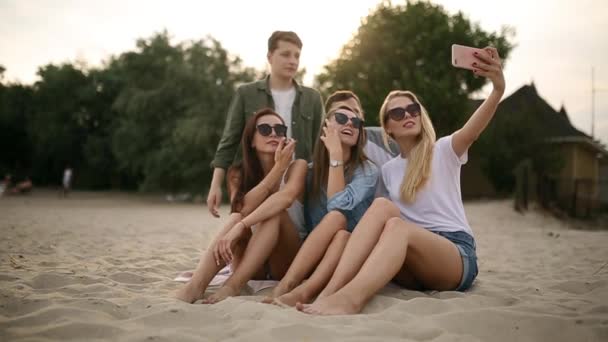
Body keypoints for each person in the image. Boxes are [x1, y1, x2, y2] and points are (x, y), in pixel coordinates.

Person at [298, 47, 505, 315]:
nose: (407, 115)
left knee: (397, 226)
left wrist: (497, 90)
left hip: (454, 254)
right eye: (397, 114)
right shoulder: (388, 170)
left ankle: (349, 300)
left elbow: (473, 130)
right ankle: (328, 294)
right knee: (384, 209)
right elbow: (365, 218)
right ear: (388, 128)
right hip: (410, 261)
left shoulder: (443, 150)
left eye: (412, 109)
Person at [175, 109, 308, 304]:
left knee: (274, 214)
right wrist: (276, 170)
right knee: (236, 217)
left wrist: (242, 225)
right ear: (251, 140)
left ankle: (232, 287)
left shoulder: (298, 166)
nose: (273, 133)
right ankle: (195, 287)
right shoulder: (238, 173)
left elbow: (285, 199)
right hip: (250, 262)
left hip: (284, 260)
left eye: (279, 129)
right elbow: (243, 208)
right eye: (264, 129)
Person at [263, 102, 378, 307]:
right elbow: (281, 201)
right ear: (326, 127)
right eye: (341, 119)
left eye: (356, 122)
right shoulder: (310, 172)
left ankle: (294, 289)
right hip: (314, 256)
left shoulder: (367, 170)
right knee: (334, 226)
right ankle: (287, 286)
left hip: (349, 258)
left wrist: (335, 156)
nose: (350, 124)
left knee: (338, 223)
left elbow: (337, 206)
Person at [206, 31, 324, 218]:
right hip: (256, 181)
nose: (292, 61)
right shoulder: (246, 93)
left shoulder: (312, 98)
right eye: (285, 54)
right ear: (270, 56)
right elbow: (229, 141)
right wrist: (215, 185)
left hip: (297, 184)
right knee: (243, 225)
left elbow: (320, 147)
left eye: (297, 55)